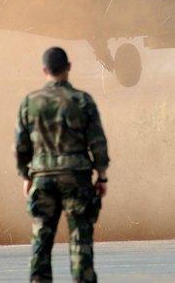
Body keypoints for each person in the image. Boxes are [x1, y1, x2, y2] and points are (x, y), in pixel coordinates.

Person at [15, 46, 109, 283]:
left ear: (44, 69)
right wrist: (102, 176)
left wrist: (26, 177)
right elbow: (97, 143)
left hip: (43, 178)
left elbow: (21, 146)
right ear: (69, 68)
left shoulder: (30, 102)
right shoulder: (82, 101)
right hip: (76, 179)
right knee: (80, 243)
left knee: (41, 243)